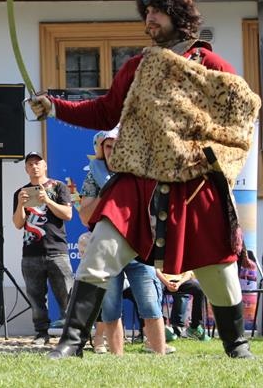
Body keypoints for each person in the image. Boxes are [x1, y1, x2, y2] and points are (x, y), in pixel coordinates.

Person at [31, 0, 260, 360]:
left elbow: (241, 117)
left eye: (158, 11)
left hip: (195, 184)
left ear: (178, 16)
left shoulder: (212, 65)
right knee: (100, 253)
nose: (149, 18)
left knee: (218, 270)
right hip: (138, 181)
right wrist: (55, 107)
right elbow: (106, 110)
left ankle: (237, 346)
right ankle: (71, 343)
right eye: (147, 11)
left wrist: (213, 159)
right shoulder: (138, 66)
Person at [80, 128, 171, 355]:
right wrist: (108, 192)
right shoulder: (94, 176)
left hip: (139, 249)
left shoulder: (140, 172)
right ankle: (117, 360)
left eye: (117, 146)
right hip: (107, 252)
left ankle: (160, 357)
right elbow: (84, 217)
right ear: (101, 150)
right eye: (108, 146)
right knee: (110, 309)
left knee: (151, 306)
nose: (113, 151)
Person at [12, 151, 74, 345]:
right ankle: (41, 333)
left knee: (66, 295)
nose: (34, 167)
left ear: (45, 165)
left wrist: (47, 200)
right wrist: (20, 205)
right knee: (36, 297)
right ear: (26, 169)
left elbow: (68, 214)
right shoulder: (21, 192)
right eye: (30, 164)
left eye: (37, 163)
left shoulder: (59, 187)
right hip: (31, 253)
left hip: (57, 250)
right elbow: (18, 223)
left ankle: (71, 335)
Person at [157, 269, 212, 342]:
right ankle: (160, 326)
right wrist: (167, 283)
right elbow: (155, 270)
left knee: (199, 289)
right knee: (155, 290)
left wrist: (179, 283)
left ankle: (195, 327)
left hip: (181, 281)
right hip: (161, 280)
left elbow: (188, 271)